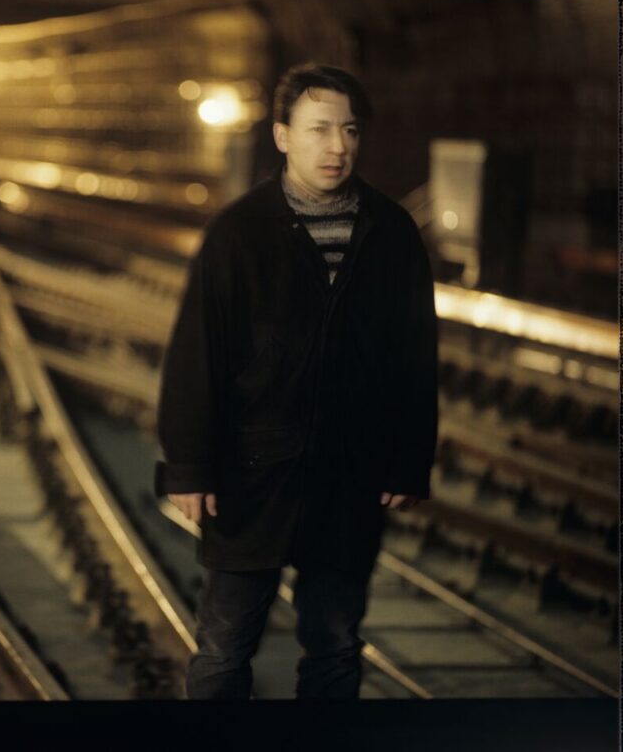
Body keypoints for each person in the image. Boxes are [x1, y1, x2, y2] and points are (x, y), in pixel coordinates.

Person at [154, 62, 438, 699]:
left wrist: (408, 461)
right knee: (225, 651)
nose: (337, 146)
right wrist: (189, 468)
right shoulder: (239, 232)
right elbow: (197, 354)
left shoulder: (390, 233)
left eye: (349, 130)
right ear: (282, 136)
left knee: (335, 647)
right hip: (250, 475)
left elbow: (415, 356)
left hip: (349, 475)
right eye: (319, 130)